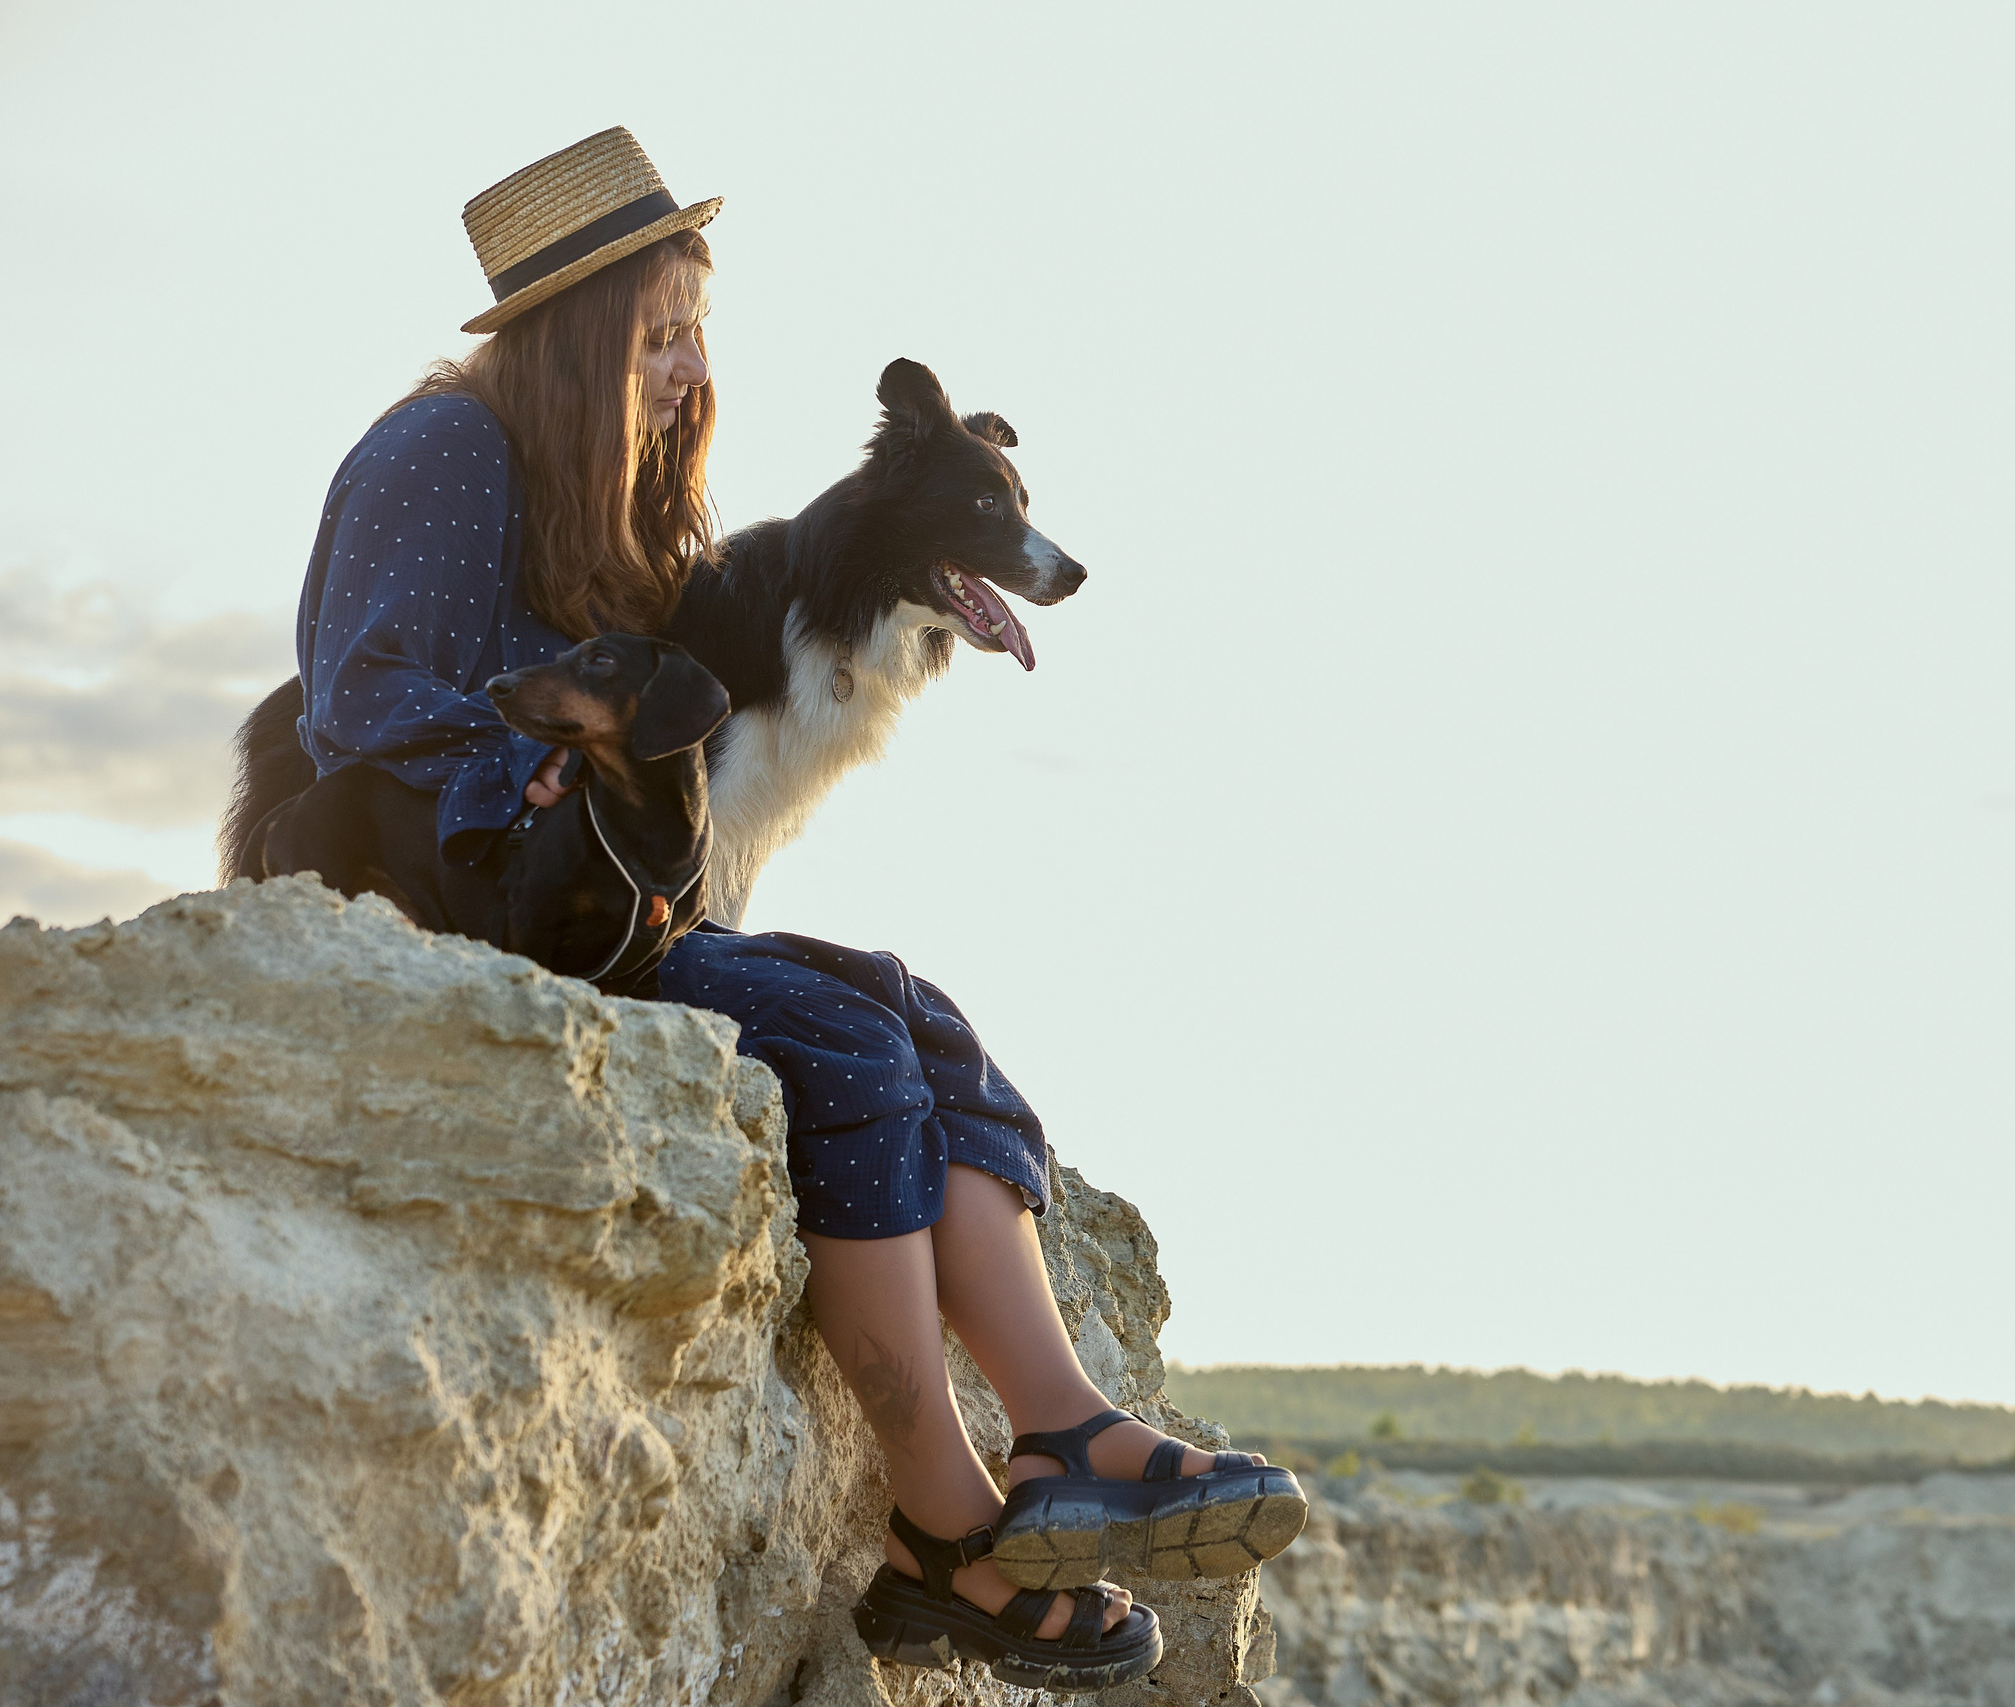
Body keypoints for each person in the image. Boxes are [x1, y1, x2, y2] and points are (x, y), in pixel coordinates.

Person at [286, 128, 1300, 1690]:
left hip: (602, 911)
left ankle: (1064, 1430)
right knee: (839, 1048)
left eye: (697, 332)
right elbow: (358, 700)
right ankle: (947, 1540)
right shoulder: (440, 452)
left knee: (917, 1015)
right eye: (659, 335)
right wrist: (543, 764)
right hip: (468, 914)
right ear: (571, 340)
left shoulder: (601, 487)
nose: (691, 371)